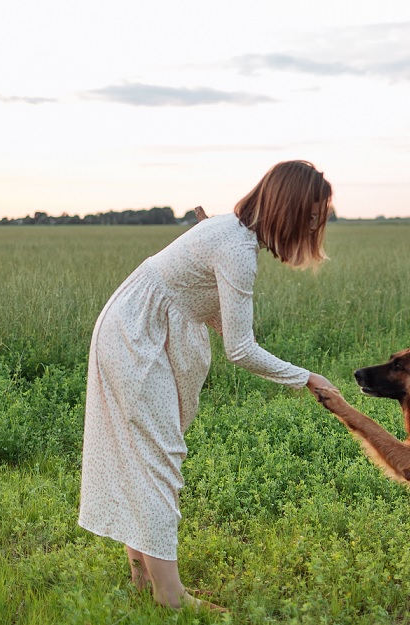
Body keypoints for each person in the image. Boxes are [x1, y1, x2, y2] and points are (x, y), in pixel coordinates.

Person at [78, 160, 336, 612]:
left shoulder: (231, 233)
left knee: (149, 454)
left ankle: (143, 577)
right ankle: (170, 595)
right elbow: (240, 349)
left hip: (140, 327)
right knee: (159, 458)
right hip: (135, 334)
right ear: (289, 208)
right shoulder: (235, 248)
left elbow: (204, 305)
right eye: (311, 216)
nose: (315, 226)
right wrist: (306, 378)